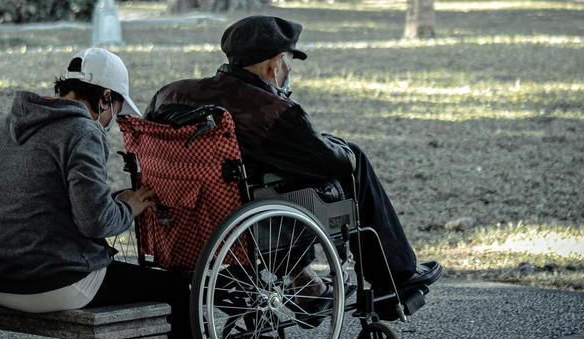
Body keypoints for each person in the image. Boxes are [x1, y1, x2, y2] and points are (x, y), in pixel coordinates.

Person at [145, 16, 442, 317]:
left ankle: (307, 282)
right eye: (289, 61)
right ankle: (396, 278)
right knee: (354, 160)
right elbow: (333, 162)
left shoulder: (171, 94)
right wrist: (342, 148)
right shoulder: (272, 111)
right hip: (251, 213)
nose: (289, 70)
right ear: (275, 64)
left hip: (185, 212)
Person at [0, 47, 200, 339]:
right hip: (54, 280)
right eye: (116, 108)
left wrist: (113, 199)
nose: (112, 120)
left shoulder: (6, 125)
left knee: (140, 283)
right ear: (104, 98)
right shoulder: (82, 131)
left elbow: (49, 200)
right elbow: (95, 221)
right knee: (172, 290)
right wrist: (129, 207)